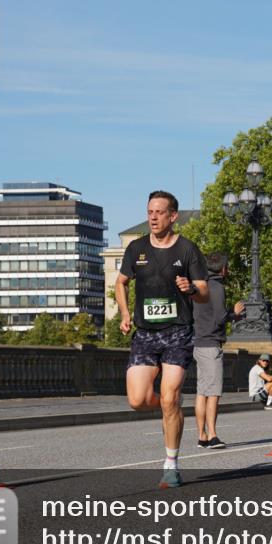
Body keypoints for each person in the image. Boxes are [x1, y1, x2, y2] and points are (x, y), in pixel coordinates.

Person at [116, 190, 208, 489]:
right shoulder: (136, 248)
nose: (153, 217)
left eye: (159, 212)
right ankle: (172, 409)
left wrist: (191, 288)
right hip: (144, 333)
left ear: (172, 216)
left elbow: (205, 293)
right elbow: (121, 283)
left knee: (169, 396)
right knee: (137, 400)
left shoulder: (187, 250)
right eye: (150, 212)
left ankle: (171, 464)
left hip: (178, 332)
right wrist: (125, 313)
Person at [193, 252, 245, 449]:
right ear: (222, 269)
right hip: (211, 343)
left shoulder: (199, 286)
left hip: (198, 342)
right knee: (213, 392)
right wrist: (236, 314)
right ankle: (213, 435)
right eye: (227, 266)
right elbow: (221, 318)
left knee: (201, 392)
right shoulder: (217, 287)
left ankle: (202, 436)